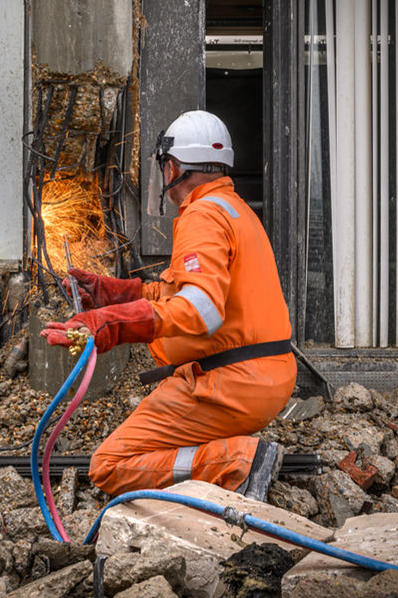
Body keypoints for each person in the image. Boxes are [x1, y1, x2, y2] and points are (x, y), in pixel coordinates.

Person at [41, 110, 295, 501]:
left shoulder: (202, 216)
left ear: (173, 168)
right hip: (262, 377)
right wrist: (114, 294)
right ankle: (227, 458)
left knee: (108, 465)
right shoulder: (235, 210)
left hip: (227, 384)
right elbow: (186, 295)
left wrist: (109, 324)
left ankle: (237, 461)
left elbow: (201, 310)